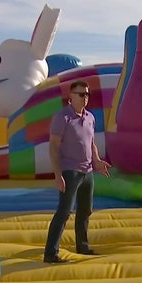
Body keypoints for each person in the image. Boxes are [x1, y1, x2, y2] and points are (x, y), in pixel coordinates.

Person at [43, 80, 111, 264]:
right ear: (71, 97)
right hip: (70, 170)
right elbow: (53, 146)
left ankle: (83, 245)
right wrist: (58, 174)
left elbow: (91, 143)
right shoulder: (63, 117)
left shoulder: (90, 117)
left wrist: (96, 161)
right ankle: (50, 252)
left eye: (87, 94)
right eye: (81, 94)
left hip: (87, 171)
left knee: (85, 210)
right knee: (64, 211)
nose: (85, 98)